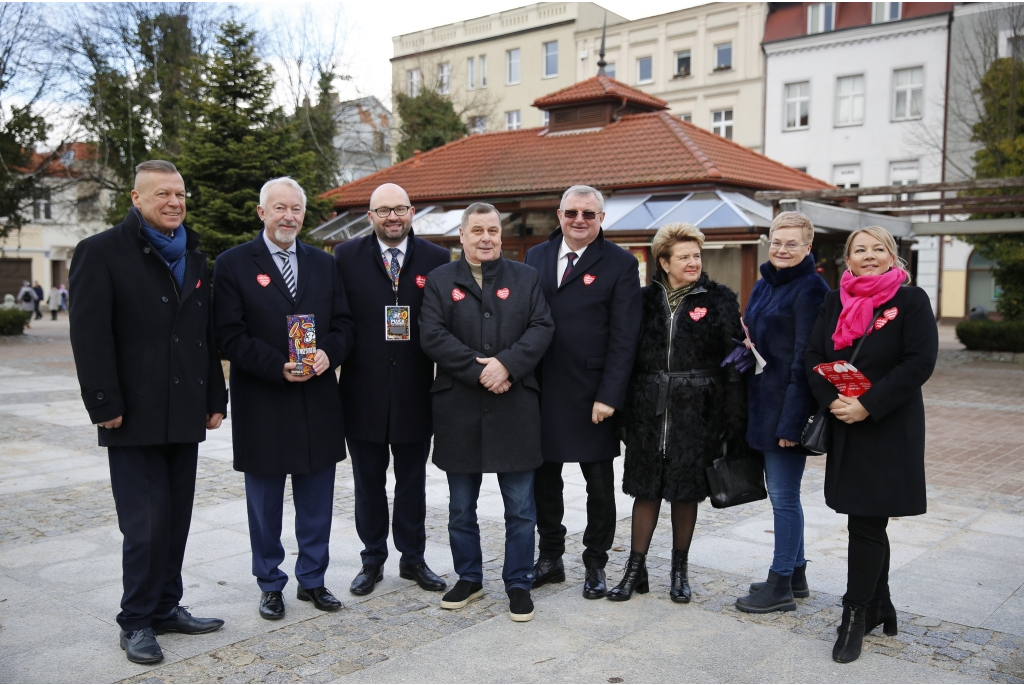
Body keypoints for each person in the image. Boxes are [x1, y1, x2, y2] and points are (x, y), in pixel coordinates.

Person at [68, 160, 227, 665]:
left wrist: (215, 399)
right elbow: (89, 336)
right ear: (136, 200)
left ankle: (165, 606)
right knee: (145, 525)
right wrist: (103, 404)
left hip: (184, 413)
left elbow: (203, 337)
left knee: (176, 519)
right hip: (131, 415)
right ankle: (135, 620)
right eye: (162, 195)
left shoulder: (197, 258)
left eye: (180, 194)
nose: (174, 203)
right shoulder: (100, 252)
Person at [214, 177, 354, 621]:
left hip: (317, 401)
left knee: (317, 502)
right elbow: (228, 335)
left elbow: (346, 325)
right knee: (265, 505)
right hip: (264, 402)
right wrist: (277, 365)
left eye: (295, 208)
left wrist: (328, 353)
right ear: (262, 213)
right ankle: (270, 583)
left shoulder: (324, 264)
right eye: (279, 208)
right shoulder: (234, 264)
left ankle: (312, 580)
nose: (288, 216)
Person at [805, 226, 938, 664]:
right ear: (848, 258)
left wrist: (868, 405)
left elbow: (919, 362)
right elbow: (813, 356)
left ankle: (855, 615)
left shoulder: (910, 300)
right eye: (859, 249)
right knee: (866, 519)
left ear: (892, 256)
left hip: (887, 425)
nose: (869, 255)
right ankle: (880, 605)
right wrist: (835, 402)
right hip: (846, 419)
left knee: (865, 520)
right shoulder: (834, 299)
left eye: (878, 249)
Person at [419, 202, 554, 622]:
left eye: (492, 230)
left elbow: (542, 327)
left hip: (515, 406)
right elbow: (432, 334)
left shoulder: (526, 277)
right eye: (477, 230)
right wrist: (479, 371)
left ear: (500, 235)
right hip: (459, 409)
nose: (485, 238)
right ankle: (470, 577)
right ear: (461, 236)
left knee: (520, 508)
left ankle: (518, 583)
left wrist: (507, 365)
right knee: (461, 507)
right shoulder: (441, 280)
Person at [607, 223, 746, 603]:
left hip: (697, 410)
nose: (693, 262)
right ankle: (634, 570)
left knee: (686, 493)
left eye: (696, 255)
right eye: (683, 256)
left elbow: (735, 362)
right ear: (664, 262)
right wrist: (624, 413)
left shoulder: (719, 299)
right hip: (647, 409)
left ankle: (679, 571)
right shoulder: (641, 300)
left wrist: (731, 419)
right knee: (645, 490)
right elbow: (625, 356)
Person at [524, 185, 642, 599]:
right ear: (559, 214)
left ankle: (595, 563)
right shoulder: (535, 256)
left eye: (588, 214)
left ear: (601, 219)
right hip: (541, 388)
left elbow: (626, 338)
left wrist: (610, 395)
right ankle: (551, 557)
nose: (579, 220)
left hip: (593, 394)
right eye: (572, 212)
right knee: (545, 480)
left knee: (598, 484)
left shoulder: (622, 264)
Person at [334, 182, 450, 596]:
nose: (392, 217)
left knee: (412, 482)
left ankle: (413, 558)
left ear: (412, 212)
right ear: (370, 217)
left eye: (399, 209)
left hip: (416, 391)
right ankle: (371, 559)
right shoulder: (345, 256)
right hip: (362, 391)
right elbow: (339, 319)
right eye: (383, 211)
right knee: (368, 484)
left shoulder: (437, 258)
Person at [735, 212, 829, 614]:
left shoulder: (811, 289)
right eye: (777, 241)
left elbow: (805, 361)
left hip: (785, 411)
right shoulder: (763, 284)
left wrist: (792, 422)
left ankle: (780, 587)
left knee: (785, 499)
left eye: (792, 243)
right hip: (762, 404)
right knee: (785, 496)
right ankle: (797, 574)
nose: (782, 249)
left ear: (808, 247)